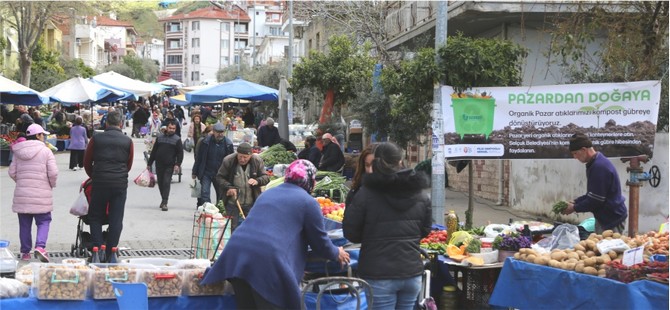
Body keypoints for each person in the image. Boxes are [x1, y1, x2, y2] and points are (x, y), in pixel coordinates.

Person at [201, 159, 350, 309]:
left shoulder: (268, 193)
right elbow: (320, 242)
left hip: (237, 256)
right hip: (266, 263)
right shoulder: (308, 202)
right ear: (309, 180)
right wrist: (336, 252)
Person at [342, 142, 432, 310]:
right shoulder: (421, 194)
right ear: (400, 161)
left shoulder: (366, 193)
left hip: (379, 273)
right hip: (411, 272)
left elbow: (351, 232)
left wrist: (372, 235)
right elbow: (425, 229)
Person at [84, 111, 134, 262]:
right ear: (120, 124)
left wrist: (93, 175)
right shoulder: (127, 141)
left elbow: (87, 160)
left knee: (95, 216)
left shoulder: (96, 138)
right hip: (119, 184)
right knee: (116, 218)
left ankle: (97, 249)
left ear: (106, 123)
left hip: (99, 182)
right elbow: (129, 164)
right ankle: (111, 252)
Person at [9, 124, 59, 262]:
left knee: (24, 223)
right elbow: (53, 172)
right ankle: (40, 247)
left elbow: (12, 172)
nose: (44, 137)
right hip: (41, 193)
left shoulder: (18, 152)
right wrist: (51, 184)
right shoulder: (46, 151)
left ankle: (25, 253)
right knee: (44, 221)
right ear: (38, 136)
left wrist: (22, 182)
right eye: (43, 134)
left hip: (22, 193)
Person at [561, 133, 627, 233]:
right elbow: (592, 194)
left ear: (584, 150)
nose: (575, 157)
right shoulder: (595, 163)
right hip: (605, 217)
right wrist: (576, 201)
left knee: (609, 247)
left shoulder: (599, 167)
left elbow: (596, 200)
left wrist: (574, 208)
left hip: (612, 219)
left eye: (575, 153)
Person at [216, 142, 270, 231]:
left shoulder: (257, 161)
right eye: (240, 156)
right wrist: (229, 187)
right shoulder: (229, 160)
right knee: (231, 228)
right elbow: (219, 177)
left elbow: (266, 177)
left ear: (251, 155)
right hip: (233, 202)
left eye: (245, 157)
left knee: (251, 228)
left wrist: (257, 181)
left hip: (251, 202)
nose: (242, 159)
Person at [192, 122, 234, 206]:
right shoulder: (205, 142)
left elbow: (231, 161)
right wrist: (194, 172)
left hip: (220, 174)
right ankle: (207, 209)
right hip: (206, 172)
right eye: (218, 132)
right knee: (204, 192)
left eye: (222, 132)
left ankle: (218, 211)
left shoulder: (228, 144)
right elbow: (199, 158)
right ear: (213, 132)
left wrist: (231, 175)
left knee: (220, 194)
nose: (220, 134)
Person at [147, 120, 184, 211]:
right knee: (160, 183)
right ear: (167, 128)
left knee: (166, 182)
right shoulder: (160, 137)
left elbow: (180, 153)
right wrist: (149, 163)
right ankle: (163, 198)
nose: (172, 130)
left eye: (173, 128)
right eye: (170, 128)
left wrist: (177, 164)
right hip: (159, 164)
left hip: (169, 165)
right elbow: (154, 151)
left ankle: (164, 202)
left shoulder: (177, 139)